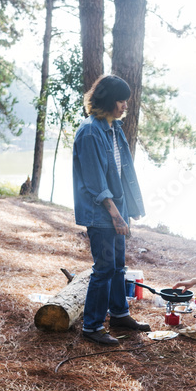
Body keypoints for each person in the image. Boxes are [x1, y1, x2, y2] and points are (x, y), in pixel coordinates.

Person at [72, 74, 151, 345]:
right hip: (102, 214)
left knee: (118, 267)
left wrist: (131, 207)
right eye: (120, 100)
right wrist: (116, 216)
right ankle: (92, 326)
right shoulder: (90, 132)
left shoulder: (113, 128)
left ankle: (119, 314)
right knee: (104, 269)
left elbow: (123, 172)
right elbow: (96, 184)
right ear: (107, 100)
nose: (125, 105)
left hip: (118, 210)